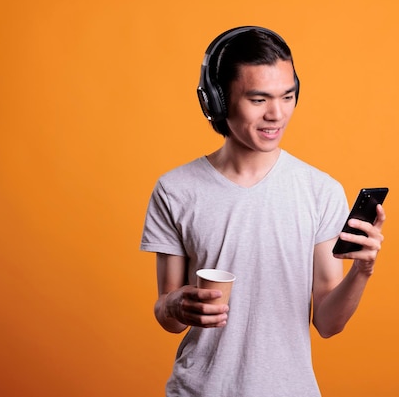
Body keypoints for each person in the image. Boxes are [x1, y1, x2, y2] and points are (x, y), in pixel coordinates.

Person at [140, 26, 386, 397]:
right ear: (217, 102)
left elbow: (329, 323)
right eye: (258, 100)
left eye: (287, 96)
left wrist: (363, 271)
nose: (277, 114)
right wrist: (175, 304)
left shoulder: (321, 191)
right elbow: (168, 317)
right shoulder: (175, 190)